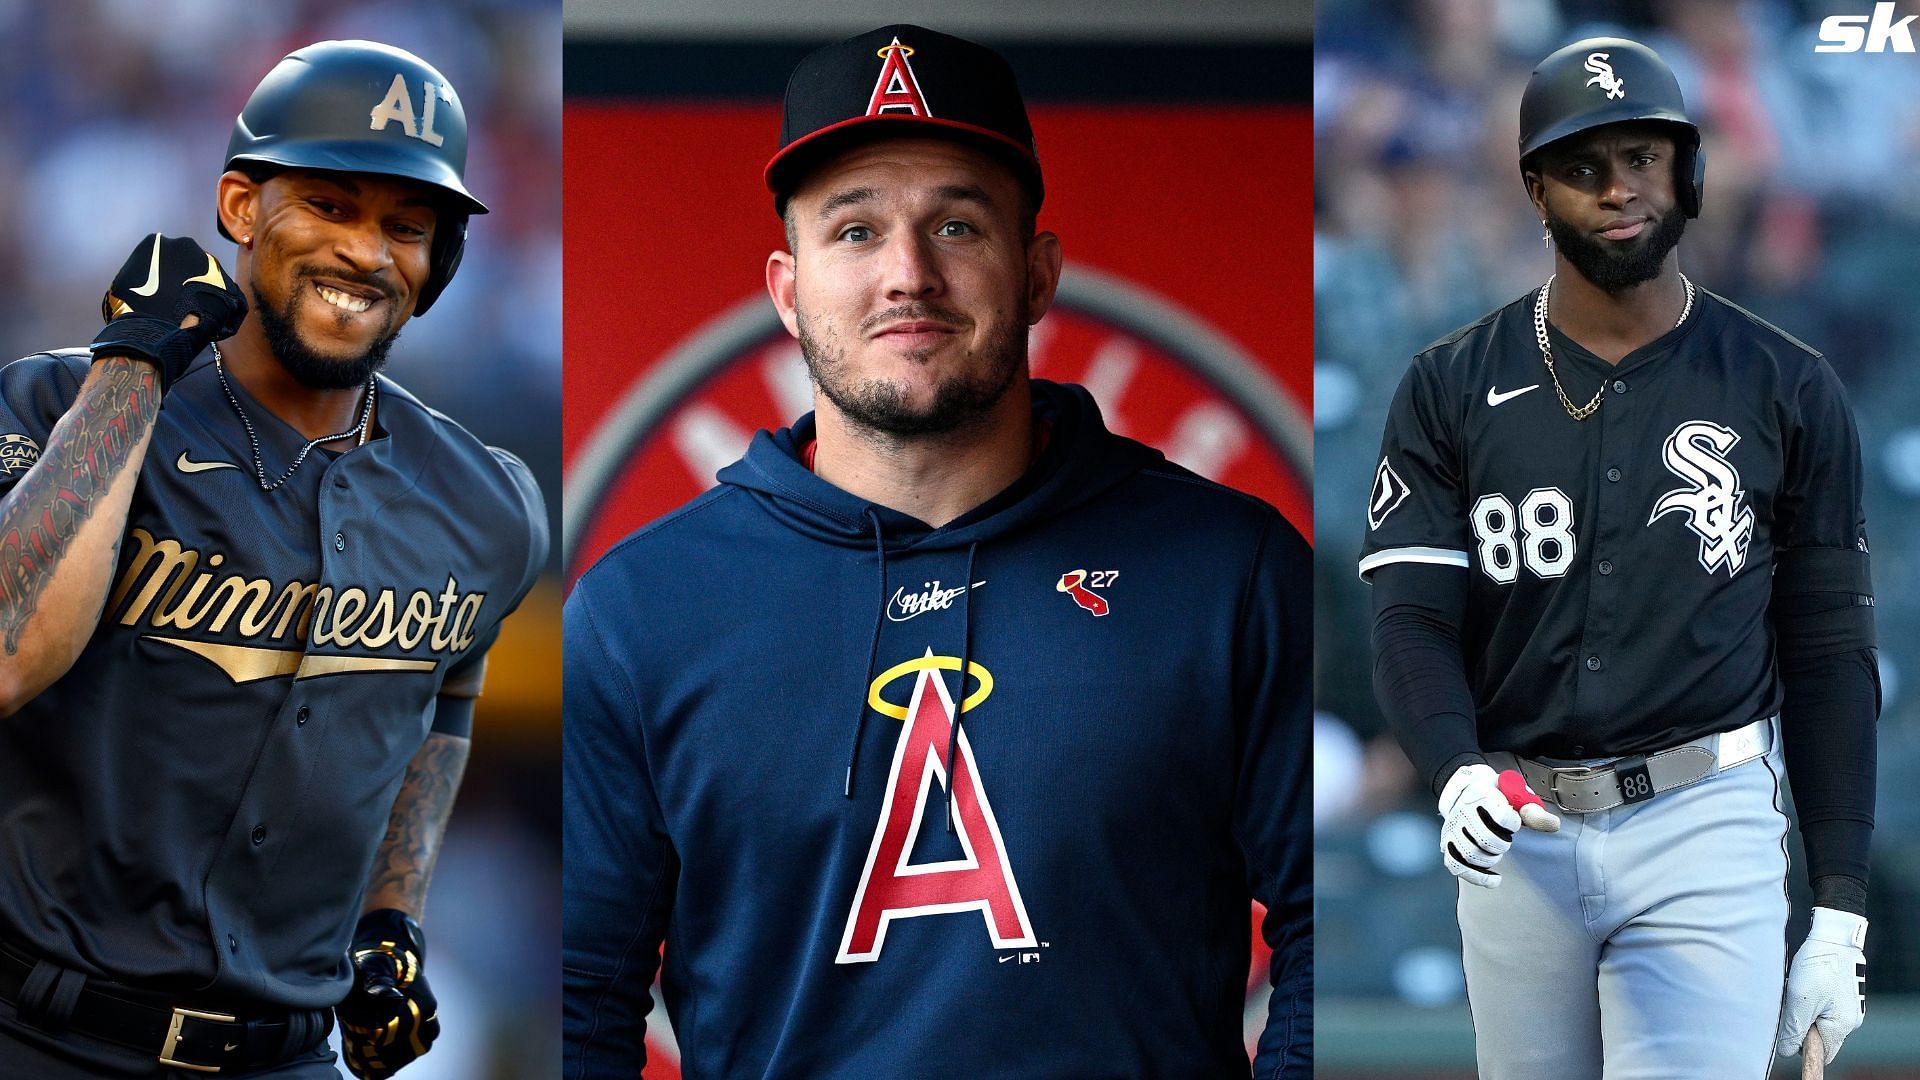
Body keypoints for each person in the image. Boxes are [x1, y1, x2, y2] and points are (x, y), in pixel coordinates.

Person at [563, 24, 1310, 1078]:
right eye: (856, 231)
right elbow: (577, 998)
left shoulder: (1228, 569)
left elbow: (1326, 934)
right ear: (788, 289)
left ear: (1038, 272)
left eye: (957, 225)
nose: (907, 275)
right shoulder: (641, 610)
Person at [0, 40, 547, 1078]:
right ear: (241, 208)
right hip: (37, 1034)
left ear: (442, 263)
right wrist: (129, 367)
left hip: (286, 1059)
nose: (366, 252)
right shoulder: (50, 405)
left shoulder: (490, 506)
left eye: (405, 226)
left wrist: (394, 923)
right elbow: (9, 652)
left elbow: (439, 706)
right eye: (329, 205)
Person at [1361, 36, 1875, 1078]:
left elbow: (1826, 652)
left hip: (1706, 812)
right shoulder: (1448, 383)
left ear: (1685, 171)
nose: (1617, 189)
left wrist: (1840, 916)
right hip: (1519, 823)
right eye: (1583, 165)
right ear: (1534, 188)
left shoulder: (1786, 383)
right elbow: (1411, 615)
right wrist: (1455, 770)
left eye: (1642, 156)